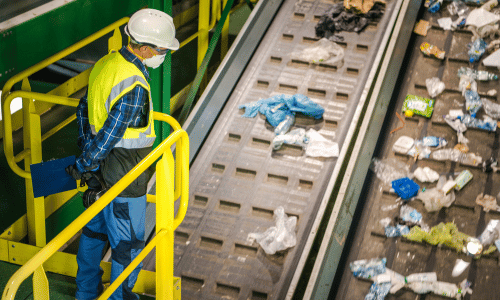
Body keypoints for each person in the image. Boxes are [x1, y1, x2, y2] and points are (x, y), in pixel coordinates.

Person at [65, 8, 179, 300]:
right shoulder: (134, 85)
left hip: (100, 173)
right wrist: (86, 162)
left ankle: (86, 294)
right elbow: (111, 135)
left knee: (93, 235)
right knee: (127, 245)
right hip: (124, 175)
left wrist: (87, 163)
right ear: (143, 48)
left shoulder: (106, 64)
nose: (163, 54)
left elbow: (83, 110)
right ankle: (119, 298)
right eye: (161, 49)